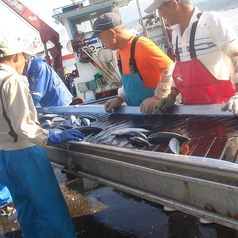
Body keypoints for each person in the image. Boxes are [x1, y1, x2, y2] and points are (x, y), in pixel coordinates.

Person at [0, 38, 84, 237]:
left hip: (4, 155)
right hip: (25, 153)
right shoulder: (12, 80)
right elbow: (23, 125)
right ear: (16, 57)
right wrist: (52, 136)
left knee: (25, 205)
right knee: (50, 207)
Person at [144, 0, 238, 114]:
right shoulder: (175, 33)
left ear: (174, 4)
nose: (160, 15)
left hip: (222, 109)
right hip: (192, 111)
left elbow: (235, 57)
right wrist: (172, 95)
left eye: (160, 9)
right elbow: (182, 72)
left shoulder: (211, 21)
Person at [90, 12, 174, 114]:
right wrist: (119, 99)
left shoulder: (142, 45)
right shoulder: (119, 53)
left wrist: (157, 97)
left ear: (112, 33)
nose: (102, 42)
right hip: (136, 114)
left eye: (100, 38)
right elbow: (128, 85)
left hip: (157, 113)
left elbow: (170, 69)